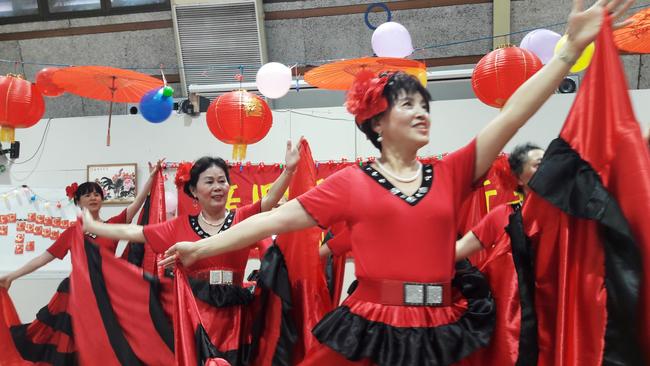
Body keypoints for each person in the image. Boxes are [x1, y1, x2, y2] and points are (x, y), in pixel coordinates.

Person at [153, 2, 632, 364]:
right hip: (371, 326)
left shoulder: (452, 172)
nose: (422, 111)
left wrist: (567, 51)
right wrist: (201, 251)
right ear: (377, 123)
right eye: (408, 105)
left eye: (425, 104)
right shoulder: (350, 185)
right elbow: (270, 220)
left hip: (444, 323)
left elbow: (512, 114)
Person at [82, 141, 300, 365]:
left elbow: (270, 200)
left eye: (222, 181)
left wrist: (289, 169)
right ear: (194, 190)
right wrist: (97, 227)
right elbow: (136, 232)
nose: (217, 187)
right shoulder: (178, 226)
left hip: (235, 314)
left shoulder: (241, 218)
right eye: (209, 181)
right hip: (195, 313)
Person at [0, 161, 163, 289]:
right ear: (78, 201)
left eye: (97, 194)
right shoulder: (72, 233)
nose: (93, 198)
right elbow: (42, 259)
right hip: (80, 290)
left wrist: (151, 177)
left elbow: (137, 203)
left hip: (108, 288)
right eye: (87, 195)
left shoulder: (112, 225)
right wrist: (11, 276)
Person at [455, 142, 544, 259]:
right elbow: (457, 251)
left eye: (549, 163)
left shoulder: (564, 212)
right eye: (539, 165)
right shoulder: (503, 215)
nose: (548, 169)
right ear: (518, 178)